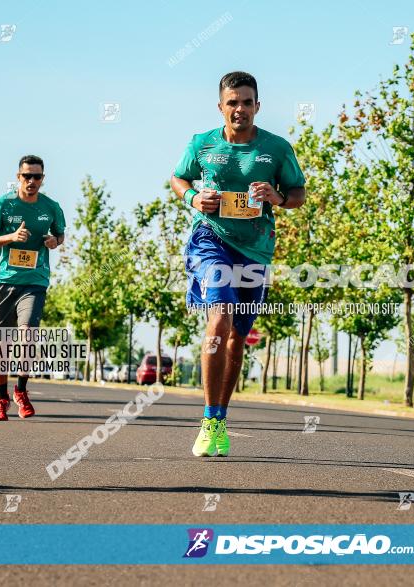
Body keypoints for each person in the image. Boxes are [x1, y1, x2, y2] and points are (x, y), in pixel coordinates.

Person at [170, 71, 306, 456]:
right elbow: (179, 178)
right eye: (233, 102)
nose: (240, 109)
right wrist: (194, 199)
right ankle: (208, 421)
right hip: (210, 239)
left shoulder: (276, 148)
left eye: (247, 102)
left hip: (256, 250)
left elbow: (298, 193)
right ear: (220, 107)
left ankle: (220, 418)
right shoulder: (201, 144)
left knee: (237, 336)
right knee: (220, 316)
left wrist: (276, 197)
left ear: (257, 106)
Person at [0, 154, 65, 421]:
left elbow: (60, 233)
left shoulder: (51, 207)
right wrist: (11, 237)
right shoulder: (2, 205)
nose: (31, 181)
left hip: (34, 282)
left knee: (27, 335)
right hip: (4, 281)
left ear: (43, 179)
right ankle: (2, 397)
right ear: (18, 177)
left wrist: (54, 241)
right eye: (26, 176)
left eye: (36, 177)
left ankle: (22, 390)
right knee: (2, 345)